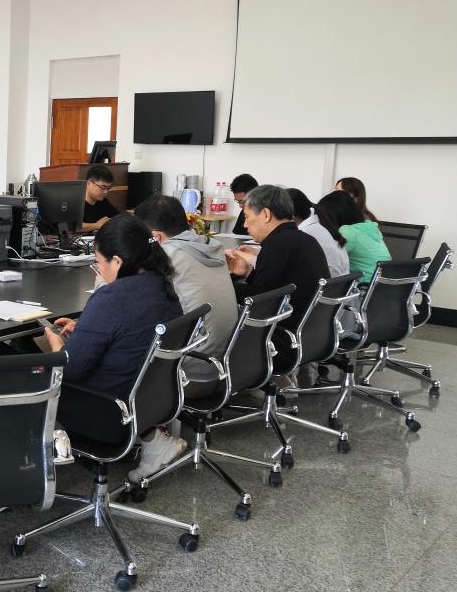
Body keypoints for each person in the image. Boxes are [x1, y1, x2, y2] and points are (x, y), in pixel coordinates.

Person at [42, 215, 186, 482]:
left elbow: (70, 371)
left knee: (23, 364)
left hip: (107, 413)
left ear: (117, 261)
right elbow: (130, 333)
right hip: (148, 404)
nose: (98, 269)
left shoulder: (111, 298)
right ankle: (155, 442)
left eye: (98, 262)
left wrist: (58, 347)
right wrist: (87, 327)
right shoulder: (163, 286)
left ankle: (28, 471)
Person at [135, 195, 238, 388]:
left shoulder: (166, 255)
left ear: (156, 237)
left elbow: (131, 300)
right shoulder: (212, 247)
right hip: (226, 361)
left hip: (189, 369)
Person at [225, 185, 329, 329]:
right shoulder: (305, 239)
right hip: (312, 329)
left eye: (247, 217)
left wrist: (224, 285)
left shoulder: (276, 244)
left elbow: (259, 300)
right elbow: (271, 287)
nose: (245, 224)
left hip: (283, 330)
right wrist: (248, 272)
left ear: (265, 214)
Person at [316, 190, 390, 282]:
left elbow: (329, 258)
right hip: (382, 284)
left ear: (334, 215)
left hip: (364, 284)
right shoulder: (366, 227)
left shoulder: (348, 231)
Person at [287, 188, 350, 278]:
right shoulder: (321, 223)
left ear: (292, 217)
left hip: (326, 284)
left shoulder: (305, 233)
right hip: (339, 283)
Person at [81, 164, 120, 232]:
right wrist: (96, 225)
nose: (105, 192)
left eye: (108, 188)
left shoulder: (103, 201)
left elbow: (119, 218)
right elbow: (70, 226)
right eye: (102, 187)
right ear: (89, 184)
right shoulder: (76, 202)